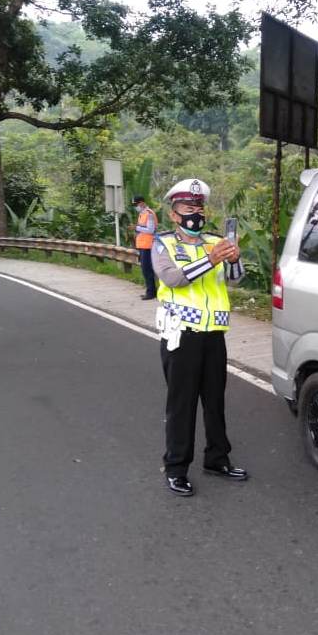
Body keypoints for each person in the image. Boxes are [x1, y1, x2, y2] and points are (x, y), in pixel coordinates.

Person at [152, 178, 247, 497]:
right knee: (182, 403)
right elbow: (173, 279)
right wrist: (212, 259)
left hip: (214, 334)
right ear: (173, 215)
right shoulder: (162, 243)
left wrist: (233, 260)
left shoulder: (214, 240)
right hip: (181, 334)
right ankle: (176, 467)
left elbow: (234, 280)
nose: (196, 213)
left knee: (215, 400)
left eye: (199, 208)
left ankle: (217, 459)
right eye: (188, 208)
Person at [132, 195, 158, 300]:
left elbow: (150, 230)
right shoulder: (142, 214)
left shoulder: (149, 214)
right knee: (145, 269)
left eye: (136, 204)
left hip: (148, 245)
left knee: (147, 270)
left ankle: (151, 292)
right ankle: (150, 290)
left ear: (142, 203)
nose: (136, 207)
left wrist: (136, 227)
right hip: (143, 245)